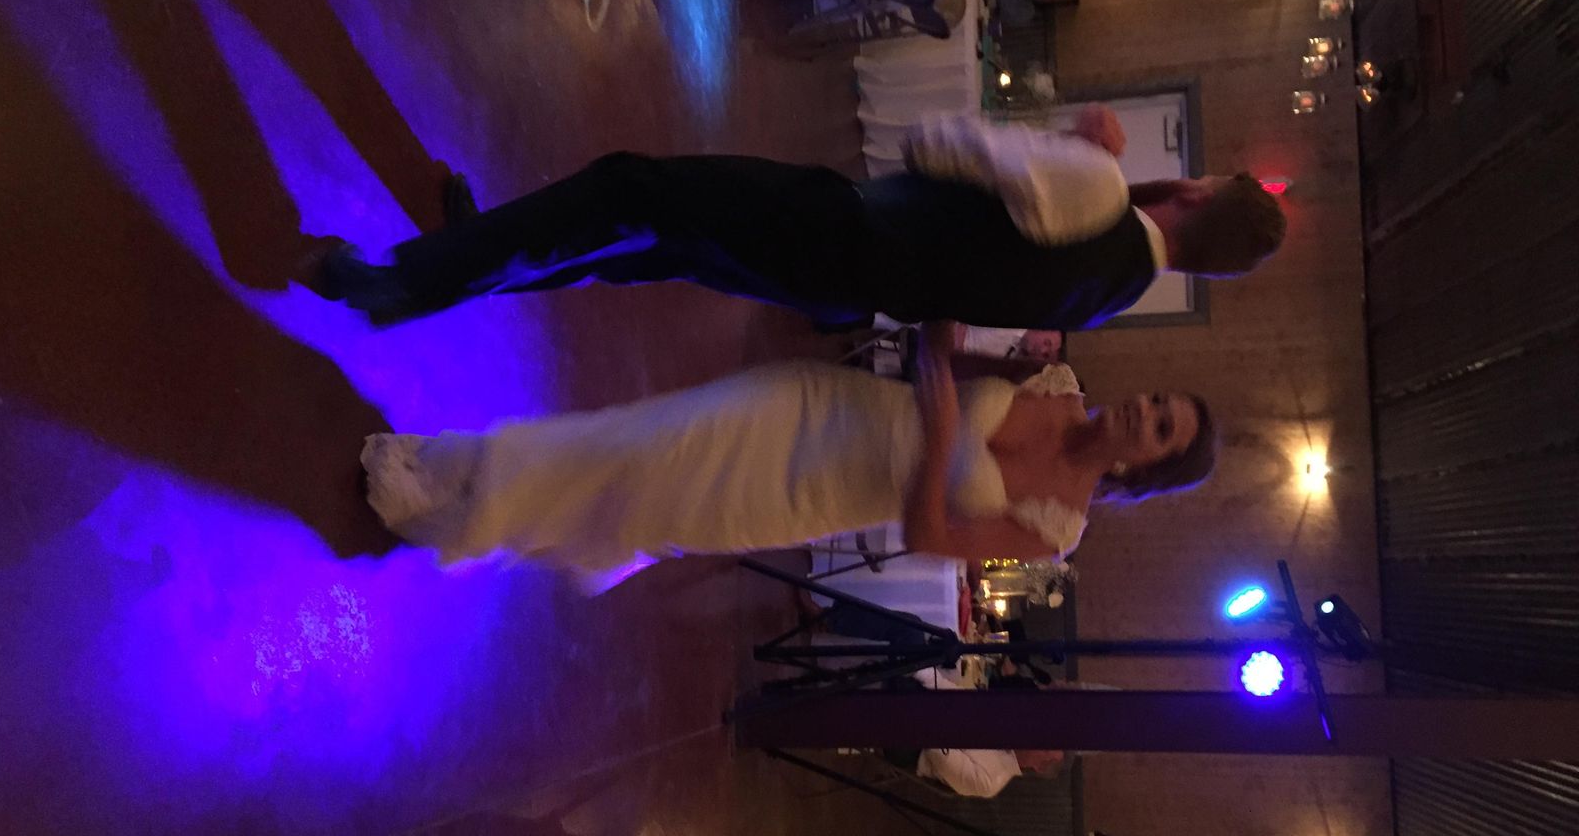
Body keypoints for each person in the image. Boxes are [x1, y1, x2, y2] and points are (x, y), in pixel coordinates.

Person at [358, 326, 1216, 593]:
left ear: (1145, 469)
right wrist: (943, 347)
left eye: (1159, 428)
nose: (1142, 410)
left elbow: (929, 534)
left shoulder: (1057, 529)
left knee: (649, 504)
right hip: (820, 406)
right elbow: (940, 360)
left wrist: (942, 427)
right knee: (638, 438)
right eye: (1158, 400)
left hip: (816, 491)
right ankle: (465, 477)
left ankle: (479, 507)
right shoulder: (1057, 385)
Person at [310, 104, 1286, 333]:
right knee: (640, 246)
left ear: (1196, 195)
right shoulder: (1111, 298)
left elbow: (933, 143)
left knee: (628, 192)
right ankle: (465, 257)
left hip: (844, 227)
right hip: (845, 288)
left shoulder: (1101, 192)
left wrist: (1065, 140)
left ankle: (409, 282)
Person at [915, 747, 1063, 798]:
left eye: (1045, 748)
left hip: (914, 749)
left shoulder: (989, 781)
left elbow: (937, 753)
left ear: (1038, 767)